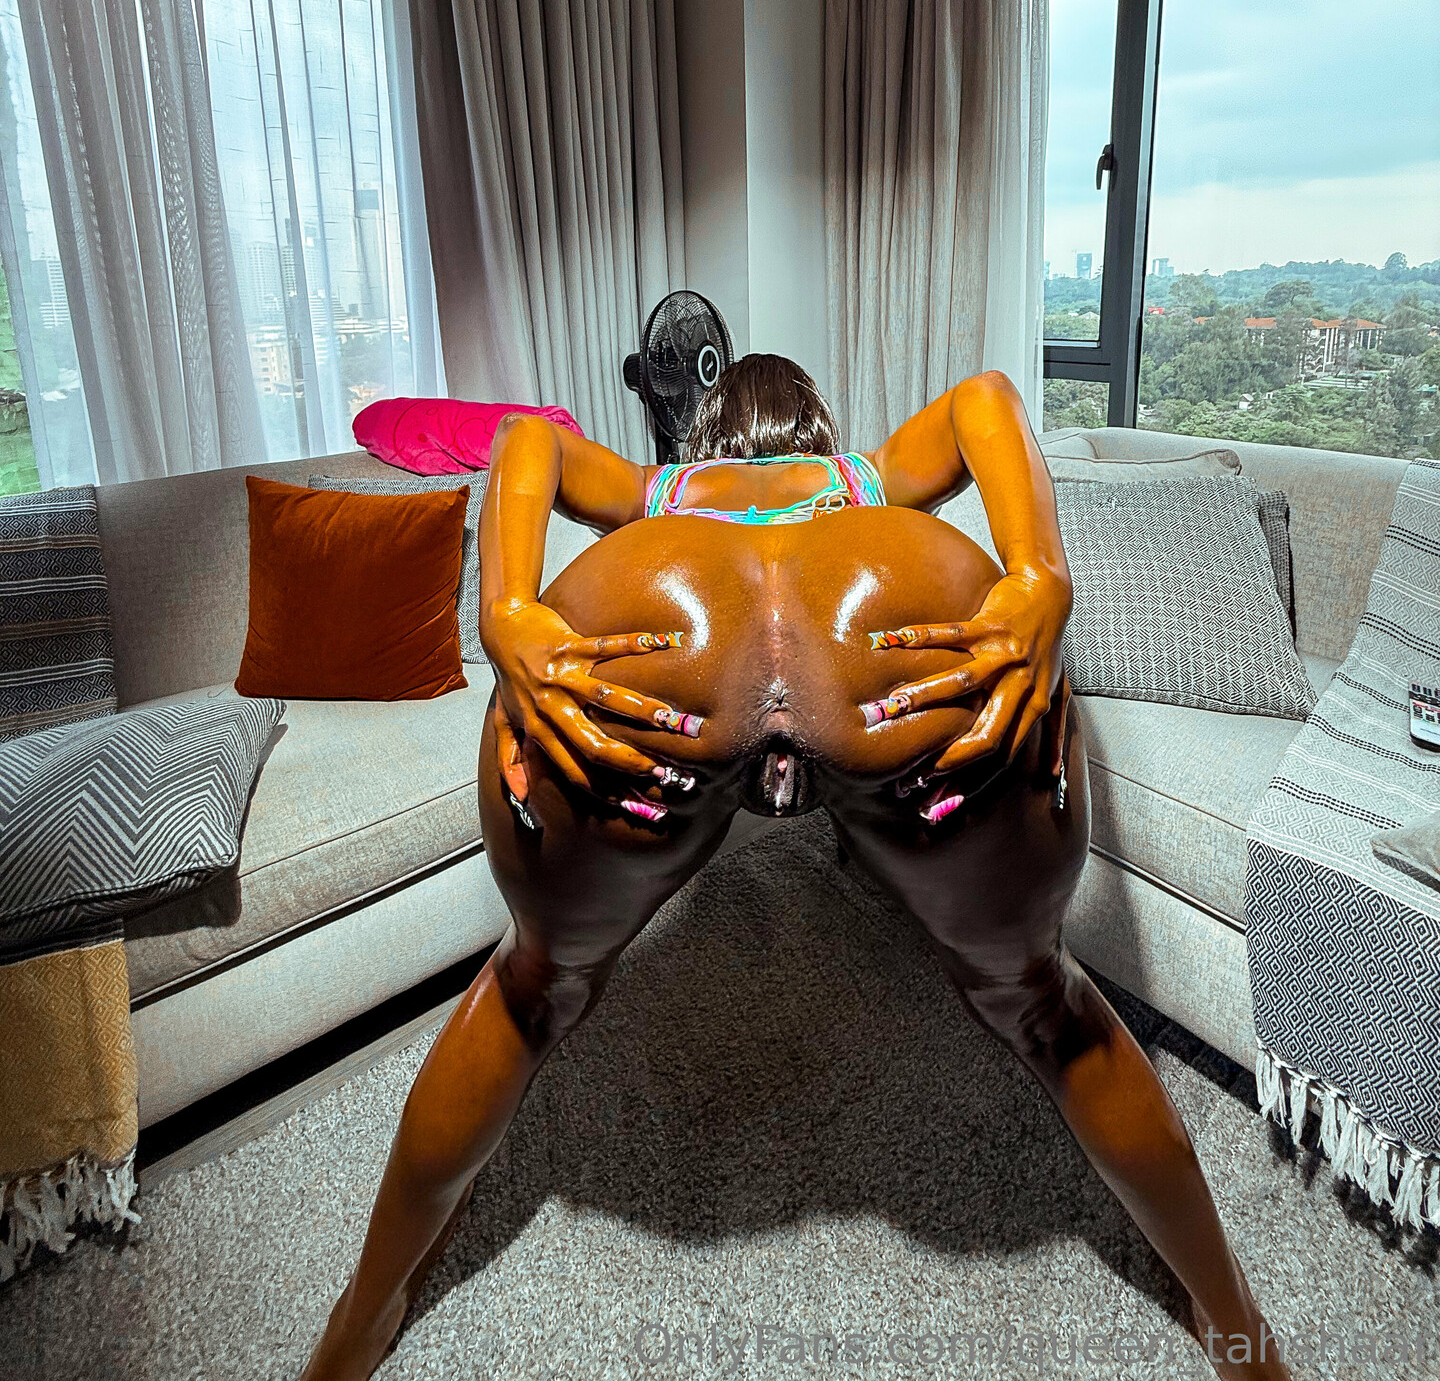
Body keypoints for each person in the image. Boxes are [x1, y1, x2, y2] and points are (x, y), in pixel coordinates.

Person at [299, 356, 1289, 1381]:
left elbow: (526, 438)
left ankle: (362, 1316)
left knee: (532, 988)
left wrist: (507, 611)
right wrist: (1039, 575)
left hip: (665, 627)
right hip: (882, 622)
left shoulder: (661, 490)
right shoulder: (861, 479)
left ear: (708, 438)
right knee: (1041, 1002)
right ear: (816, 431)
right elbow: (987, 394)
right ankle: (1237, 1330)